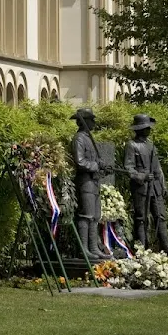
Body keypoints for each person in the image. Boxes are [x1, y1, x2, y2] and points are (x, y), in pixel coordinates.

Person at [124, 114, 168, 255]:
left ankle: (165, 246)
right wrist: (142, 176)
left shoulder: (151, 144)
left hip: (155, 187)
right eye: (146, 128)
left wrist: (163, 185)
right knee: (141, 218)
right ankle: (142, 248)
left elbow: (158, 168)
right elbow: (128, 168)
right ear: (139, 129)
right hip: (141, 187)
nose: (149, 130)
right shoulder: (132, 145)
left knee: (160, 216)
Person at [70, 108, 110, 260]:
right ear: (84, 121)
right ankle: (84, 249)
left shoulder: (89, 138)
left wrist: (103, 165)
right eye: (91, 120)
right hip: (85, 182)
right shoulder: (79, 138)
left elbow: (95, 160)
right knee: (86, 215)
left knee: (95, 216)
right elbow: (80, 161)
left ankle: (93, 248)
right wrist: (96, 166)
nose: (94, 123)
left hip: (94, 181)